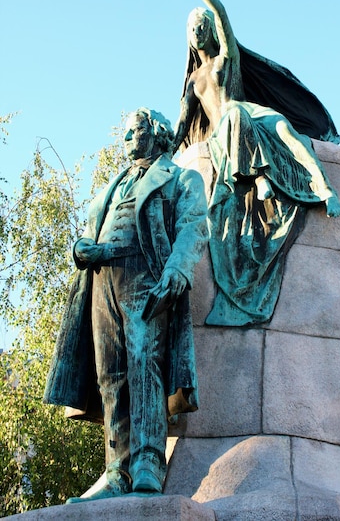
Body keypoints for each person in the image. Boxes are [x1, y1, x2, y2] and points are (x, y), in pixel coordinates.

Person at [151, 0, 340, 326]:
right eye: (191, 27)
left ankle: (324, 189)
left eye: (200, 23)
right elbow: (180, 129)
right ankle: (257, 178)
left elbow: (222, 13)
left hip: (246, 114)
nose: (197, 29)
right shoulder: (193, 82)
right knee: (235, 116)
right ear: (188, 38)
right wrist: (162, 161)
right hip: (226, 128)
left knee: (287, 130)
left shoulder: (227, 59)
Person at [44, 108, 208, 500]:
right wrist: (81, 247)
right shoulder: (112, 186)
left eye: (134, 131)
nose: (127, 139)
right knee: (110, 374)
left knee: (143, 364)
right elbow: (90, 229)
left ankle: (149, 461)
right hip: (102, 278)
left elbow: (194, 226)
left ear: (155, 133)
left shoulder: (181, 177)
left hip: (145, 276)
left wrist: (176, 271)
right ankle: (116, 471)